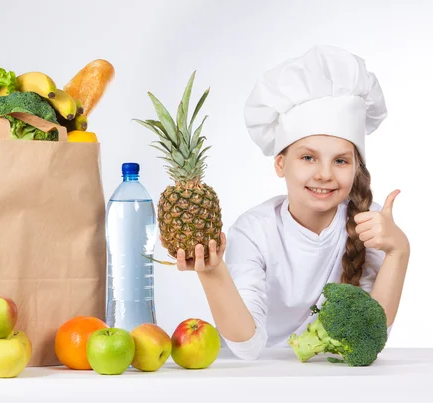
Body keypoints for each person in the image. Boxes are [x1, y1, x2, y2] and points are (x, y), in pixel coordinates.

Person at [174, 45, 410, 360]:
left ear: (356, 169)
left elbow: (370, 333)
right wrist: (212, 272)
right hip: (258, 379)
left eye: (340, 161)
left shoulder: (370, 224)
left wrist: (399, 251)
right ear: (281, 163)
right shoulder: (253, 231)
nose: (325, 174)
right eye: (308, 157)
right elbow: (248, 346)